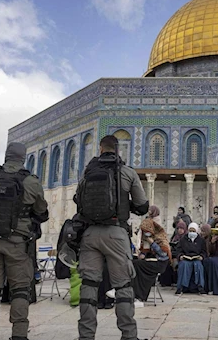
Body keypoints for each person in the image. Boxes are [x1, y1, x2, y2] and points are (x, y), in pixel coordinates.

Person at [74, 135, 149, 340]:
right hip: (116, 233)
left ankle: (86, 336)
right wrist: (126, 203)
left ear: (100, 149)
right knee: (123, 286)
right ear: (118, 150)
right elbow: (143, 206)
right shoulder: (126, 172)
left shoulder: (88, 173)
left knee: (89, 285)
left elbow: (77, 200)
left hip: (89, 234)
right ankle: (128, 335)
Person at [0, 142, 49, 340]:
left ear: (6, 155)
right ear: (23, 158)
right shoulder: (31, 181)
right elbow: (41, 211)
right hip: (17, 244)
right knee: (20, 291)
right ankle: (19, 335)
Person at [131, 206, 170, 305]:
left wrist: (152, 242)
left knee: (137, 265)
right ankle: (134, 294)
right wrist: (142, 253)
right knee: (134, 263)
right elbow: (145, 248)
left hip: (160, 262)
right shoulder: (149, 224)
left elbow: (163, 253)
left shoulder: (160, 233)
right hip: (152, 261)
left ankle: (139, 296)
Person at [176, 222, 207, 295]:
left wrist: (201, 256)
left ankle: (200, 286)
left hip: (196, 258)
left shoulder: (201, 240)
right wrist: (180, 256)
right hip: (185, 258)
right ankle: (181, 287)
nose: (192, 233)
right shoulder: (183, 239)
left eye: (193, 231)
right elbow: (178, 250)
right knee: (184, 265)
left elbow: (204, 251)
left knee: (198, 266)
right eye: (190, 231)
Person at [159, 221, 187, 287]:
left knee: (175, 263)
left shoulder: (185, 238)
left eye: (181, 228)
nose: (180, 230)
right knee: (165, 261)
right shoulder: (175, 237)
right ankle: (166, 281)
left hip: (180, 255)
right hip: (173, 254)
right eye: (178, 228)